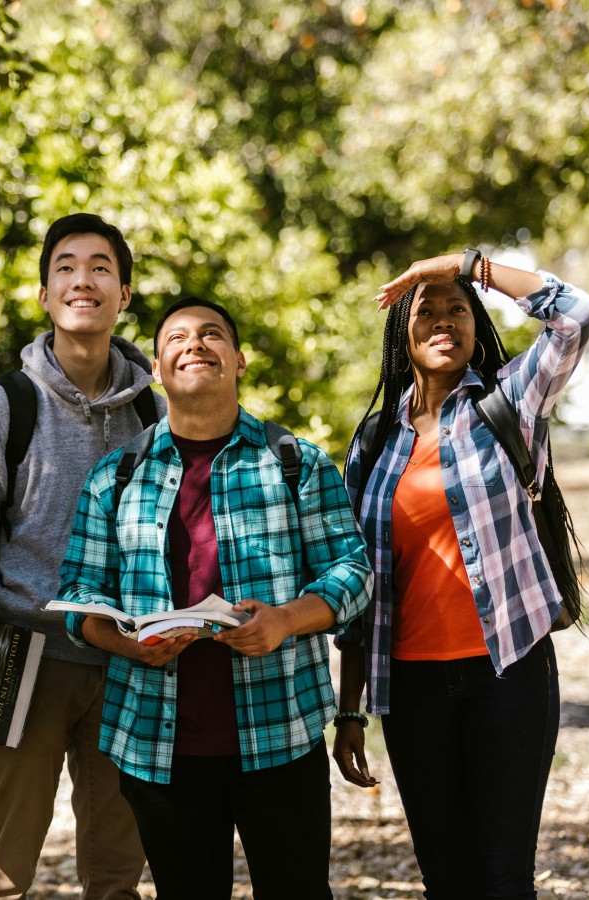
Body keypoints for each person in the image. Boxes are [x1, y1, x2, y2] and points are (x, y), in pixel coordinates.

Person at [58, 296, 372, 899]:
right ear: (156, 369)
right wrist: (125, 643)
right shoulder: (115, 476)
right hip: (156, 740)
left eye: (211, 335)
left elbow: (353, 570)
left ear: (239, 360)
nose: (194, 344)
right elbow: (78, 597)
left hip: (281, 729)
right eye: (176, 338)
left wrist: (284, 620)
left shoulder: (294, 463)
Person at [331, 249, 589, 900]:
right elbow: (360, 588)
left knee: (502, 878)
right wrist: (349, 712)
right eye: (428, 310)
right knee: (445, 879)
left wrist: (466, 265)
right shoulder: (374, 444)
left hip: (507, 674)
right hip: (412, 688)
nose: (445, 319)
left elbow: (575, 315)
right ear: (404, 334)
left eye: (459, 309)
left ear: (478, 327)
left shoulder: (511, 402)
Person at [0, 214, 161, 899]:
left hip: (124, 668)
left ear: (124, 293)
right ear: (44, 293)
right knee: (4, 873)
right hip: (23, 660)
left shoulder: (152, 414)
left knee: (118, 874)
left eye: (101, 267)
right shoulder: (2, 406)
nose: (82, 280)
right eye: (65, 266)